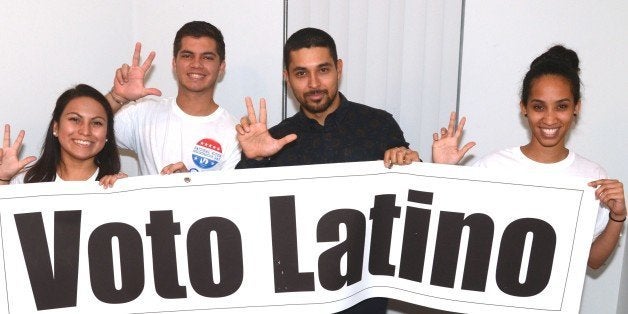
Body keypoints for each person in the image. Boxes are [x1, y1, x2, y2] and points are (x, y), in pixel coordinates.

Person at [236, 27, 420, 313]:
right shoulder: (274, 139)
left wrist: (412, 162)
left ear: (339, 68)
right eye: (301, 73)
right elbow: (235, 218)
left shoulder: (378, 124)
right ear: (286, 77)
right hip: (294, 293)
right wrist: (253, 159)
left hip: (365, 289)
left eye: (323, 70)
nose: (313, 83)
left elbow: (413, 199)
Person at [433, 45, 625, 269]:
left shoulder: (593, 177)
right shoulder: (492, 167)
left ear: (576, 108)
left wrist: (617, 216)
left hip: (549, 305)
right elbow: (449, 236)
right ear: (524, 108)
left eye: (561, 106)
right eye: (538, 107)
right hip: (490, 301)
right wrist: (441, 172)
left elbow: (593, 261)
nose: (550, 119)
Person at [105, 21, 241, 175]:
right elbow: (87, 132)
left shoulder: (235, 134)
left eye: (207, 57)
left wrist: (187, 184)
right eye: (187, 56)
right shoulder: (143, 113)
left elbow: (229, 196)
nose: (196, 64)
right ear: (174, 63)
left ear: (221, 67)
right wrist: (117, 96)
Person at [0, 84, 126, 188]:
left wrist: (128, 192)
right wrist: (3, 179)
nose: (85, 131)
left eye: (97, 123)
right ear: (56, 127)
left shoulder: (116, 185)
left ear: (107, 133)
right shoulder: (26, 181)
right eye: (75, 119)